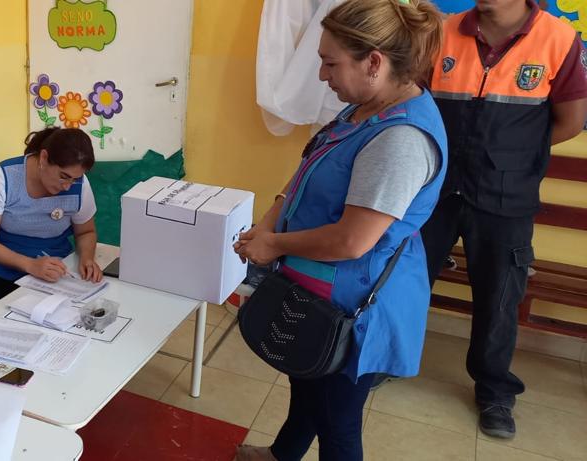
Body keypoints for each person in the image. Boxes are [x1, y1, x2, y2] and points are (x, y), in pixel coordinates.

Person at [234, 0, 446, 459]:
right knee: (308, 386)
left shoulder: (400, 141)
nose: (322, 75)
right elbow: (306, 171)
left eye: (331, 63)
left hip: (354, 304)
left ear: (373, 62)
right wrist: (267, 226)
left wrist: (273, 243)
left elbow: (353, 241)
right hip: (315, 290)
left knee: (338, 422)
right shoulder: (361, 110)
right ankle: (282, 455)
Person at [423, 0, 587, 439]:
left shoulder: (557, 38)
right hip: (435, 186)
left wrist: (514, 154)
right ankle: (385, 359)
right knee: (406, 278)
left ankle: (495, 392)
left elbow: (571, 121)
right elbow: (417, 99)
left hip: (505, 195)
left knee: (499, 297)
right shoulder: (444, 31)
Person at [0, 127, 102, 306]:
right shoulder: (2, 178)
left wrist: (87, 258)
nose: (68, 186)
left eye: (75, 179)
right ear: (44, 158)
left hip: (54, 265)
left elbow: (86, 232)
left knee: (65, 310)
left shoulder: (80, 186)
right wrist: (30, 265)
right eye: (64, 177)